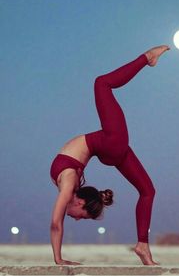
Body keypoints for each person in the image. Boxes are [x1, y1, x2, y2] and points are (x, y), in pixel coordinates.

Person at [50, 45, 170, 266]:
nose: (76, 218)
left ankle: (143, 246)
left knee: (147, 191)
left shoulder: (68, 186)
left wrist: (58, 258)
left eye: (80, 216)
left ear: (80, 200)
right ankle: (147, 58)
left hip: (110, 148)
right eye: (82, 216)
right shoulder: (68, 186)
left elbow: (56, 223)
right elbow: (56, 223)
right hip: (110, 143)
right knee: (101, 83)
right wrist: (58, 259)